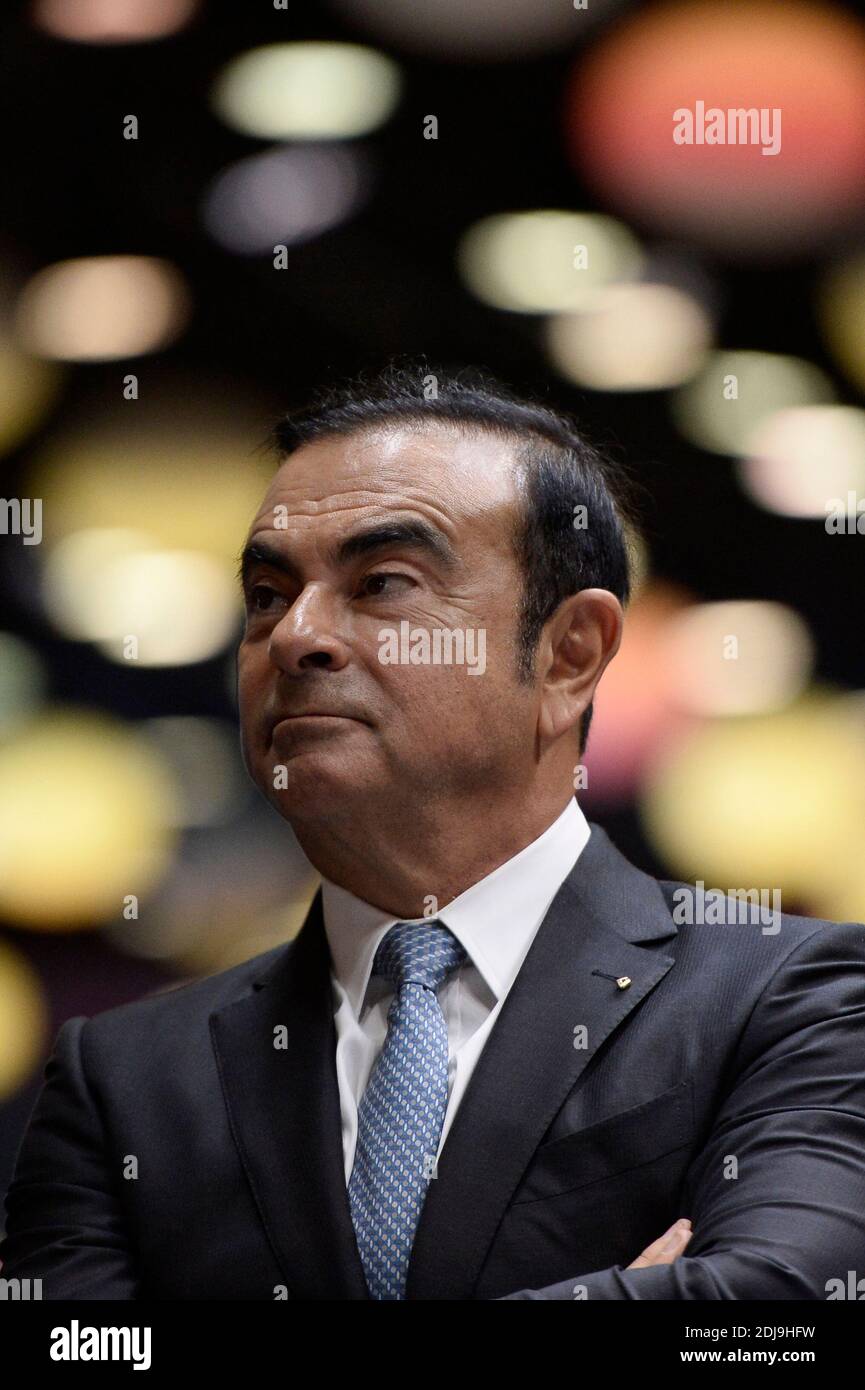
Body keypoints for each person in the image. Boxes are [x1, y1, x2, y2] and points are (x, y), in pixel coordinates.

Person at [2, 361, 864, 1300]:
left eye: (382, 583)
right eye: (265, 593)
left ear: (568, 653)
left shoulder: (791, 999)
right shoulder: (121, 1076)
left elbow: (776, 1318)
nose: (295, 635)